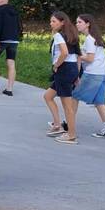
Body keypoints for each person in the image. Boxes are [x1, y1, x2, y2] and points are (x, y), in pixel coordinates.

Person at [74, 14, 105, 139]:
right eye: (77, 22)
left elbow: (90, 58)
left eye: (80, 22)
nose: (77, 24)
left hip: (93, 74)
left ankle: (66, 124)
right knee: (99, 102)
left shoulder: (89, 39)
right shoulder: (95, 38)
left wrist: (78, 55)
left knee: (73, 97)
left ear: (88, 24)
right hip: (102, 73)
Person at [44, 11, 81, 145]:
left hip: (63, 70)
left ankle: (71, 135)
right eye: (51, 21)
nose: (51, 23)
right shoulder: (72, 35)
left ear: (62, 22)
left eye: (54, 21)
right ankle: (57, 125)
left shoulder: (59, 35)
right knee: (48, 96)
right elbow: (78, 56)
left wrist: (56, 65)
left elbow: (64, 53)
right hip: (70, 70)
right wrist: (76, 74)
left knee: (67, 106)